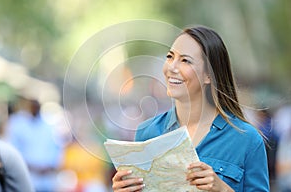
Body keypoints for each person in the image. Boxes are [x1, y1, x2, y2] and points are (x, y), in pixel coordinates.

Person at [111, 26, 269, 191]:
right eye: (170, 57)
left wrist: (223, 189)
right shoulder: (147, 132)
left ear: (209, 75)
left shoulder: (247, 139)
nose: (172, 67)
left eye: (185, 60)